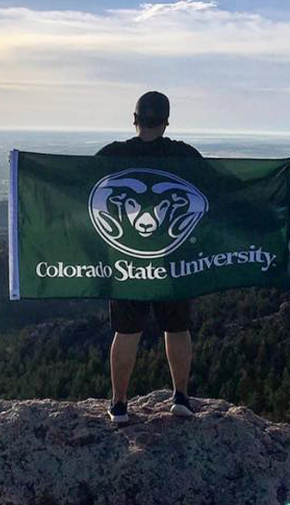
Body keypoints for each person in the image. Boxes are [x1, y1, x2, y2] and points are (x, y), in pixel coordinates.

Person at [96, 91, 203, 423]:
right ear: (167, 121)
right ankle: (181, 397)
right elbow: (221, 188)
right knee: (177, 328)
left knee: (127, 332)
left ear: (135, 118)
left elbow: (77, 183)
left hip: (128, 265)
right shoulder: (184, 155)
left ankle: (119, 404)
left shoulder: (115, 155)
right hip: (173, 261)